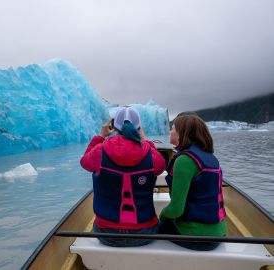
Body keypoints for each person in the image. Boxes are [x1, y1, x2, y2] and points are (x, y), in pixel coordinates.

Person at [80, 106, 165, 247]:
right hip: (145, 232)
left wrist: (100, 137)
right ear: (138, 127)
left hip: (106, 233)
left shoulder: (100, 150)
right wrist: (145, 141)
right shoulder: (151, 154)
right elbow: (160, 167)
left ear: (114, 127)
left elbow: (85, 162)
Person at [159, 114, 227, 251]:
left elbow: (176, 210)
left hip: (196, 236)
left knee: (153, 228)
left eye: (173, 128)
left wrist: (161, 216)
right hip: (220, 233)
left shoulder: (184, 160)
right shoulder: (211, 157)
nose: (170, 131)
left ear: (182, 133)